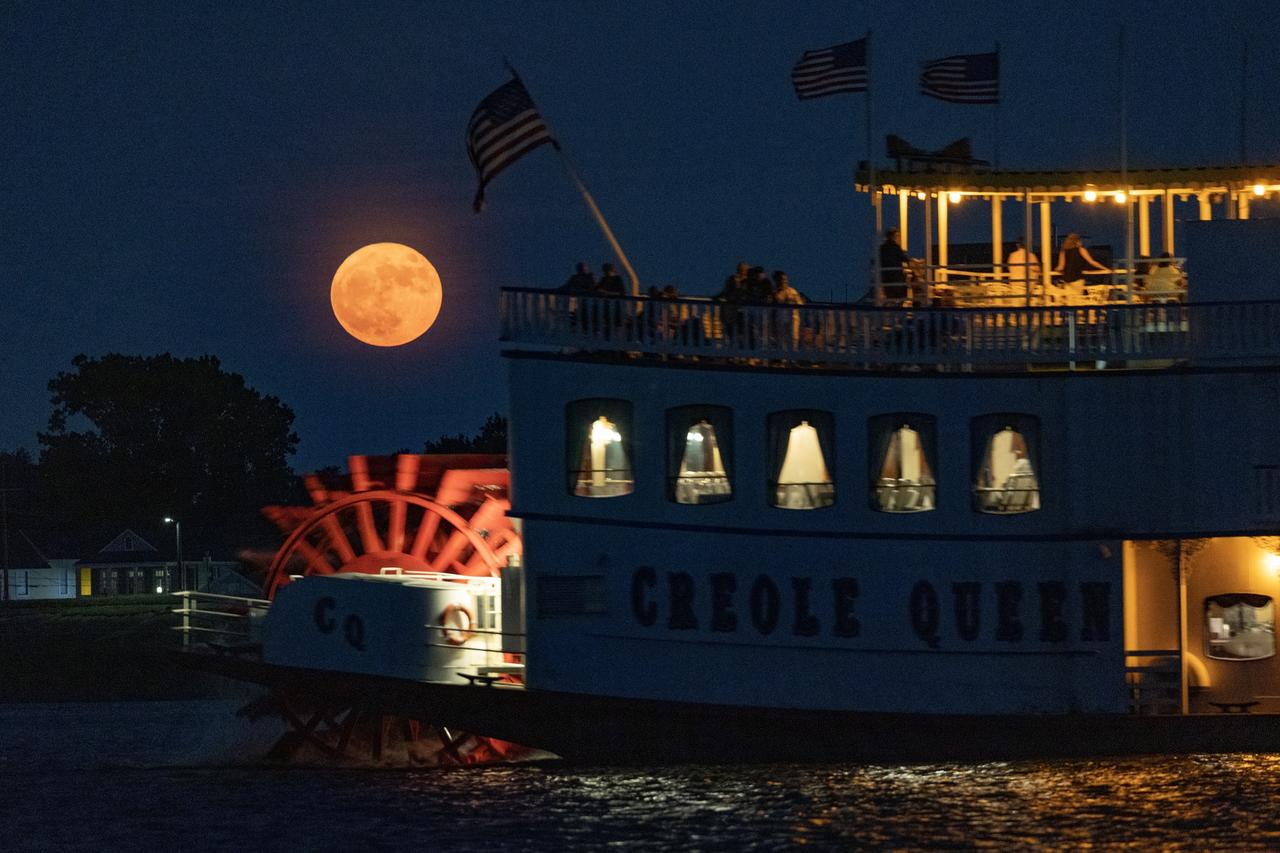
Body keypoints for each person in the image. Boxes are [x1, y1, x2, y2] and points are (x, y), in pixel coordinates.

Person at [879, 229, 913, 301]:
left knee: (890, 293)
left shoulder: (883, 248)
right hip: (896, 275)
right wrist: (909, 260)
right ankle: (900, 303)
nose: (899, 238)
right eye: (897, 236)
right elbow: (904, 258)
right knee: (899, 292)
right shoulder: (895, 247)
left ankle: (892, 302)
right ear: (893, 236)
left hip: (886, 276)